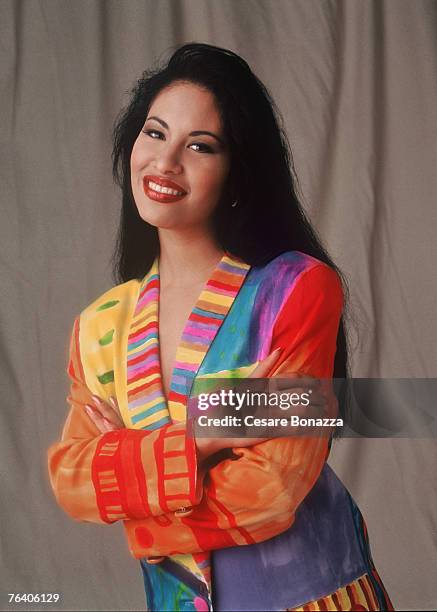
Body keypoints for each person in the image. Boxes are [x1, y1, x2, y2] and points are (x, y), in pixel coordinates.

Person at [47, 43, 393, 611]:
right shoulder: (101, 325)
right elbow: (72, 475)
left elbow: (272, 488)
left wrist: (138, 504)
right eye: (155, 134)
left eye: (200, 146)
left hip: (308, 597)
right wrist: (200, 441)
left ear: (237, 170)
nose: (165, 162)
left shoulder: (294, 291)